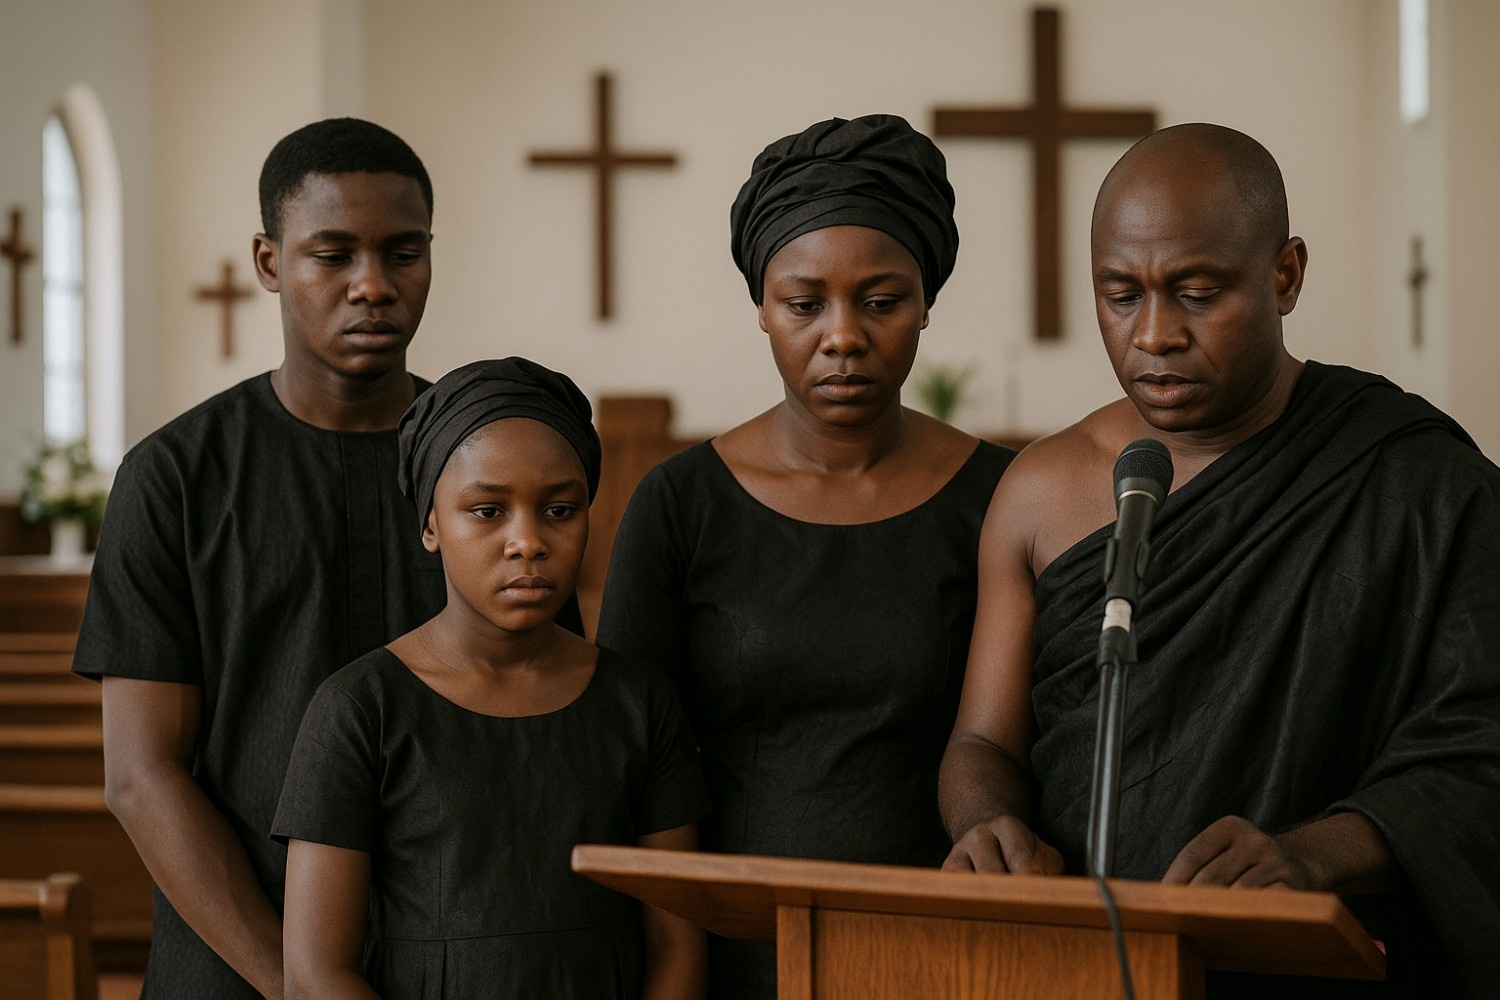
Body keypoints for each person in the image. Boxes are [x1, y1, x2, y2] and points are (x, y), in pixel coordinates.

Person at [939, 122, 1500, 998]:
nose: (1154, 334)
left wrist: (1312, 854)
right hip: (1080, 961)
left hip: (1317, 963)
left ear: (1285, 276)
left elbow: (1484, 749)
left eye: (1197, 292)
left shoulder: (1417, 478)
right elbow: (982, 739)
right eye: (1120, 295)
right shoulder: (1041, 491)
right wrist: (986, 823)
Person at [71, 119, 582, 998]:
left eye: (403, 251)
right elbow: (141, 774)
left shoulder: (493, 463)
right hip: (236, 963)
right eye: (333, 255)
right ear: (270, 263)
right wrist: (298, 981)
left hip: (462, 955)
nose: (373, 286)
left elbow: (547, 707)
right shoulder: (174, 478)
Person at [596, 114, 1015, 999]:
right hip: (732, 949)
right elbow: (630, 763)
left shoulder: (1001, 498)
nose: (843, 336)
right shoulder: (681, 504)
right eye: (804, 302)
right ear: (761, 306)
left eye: (881, 299)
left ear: (927, 300)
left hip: (951, 947)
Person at [273, 357, 709, 1000]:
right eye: (486, 511)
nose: (527, 541)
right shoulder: (360, 709)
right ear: (429, 525)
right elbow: (316, 973)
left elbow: (678, 949)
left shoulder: (640, 703)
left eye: (559, 510)